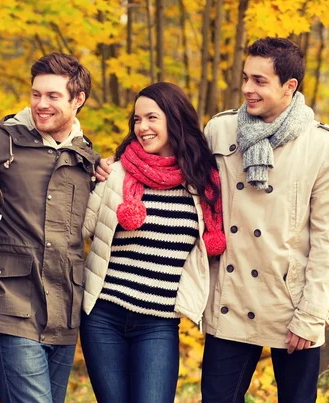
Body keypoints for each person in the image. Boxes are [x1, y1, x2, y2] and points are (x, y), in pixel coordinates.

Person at [201, 37, 329, 403]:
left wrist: (311, 315)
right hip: (230, 302)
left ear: (289, 86)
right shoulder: (219, 130)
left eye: (260, 81)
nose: (247, 89)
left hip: (291, 305)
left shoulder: (323, 146)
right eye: (246, 78)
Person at [81, 82, 226, 403]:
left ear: (174, 119)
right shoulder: (115, 174)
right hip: (104, 319)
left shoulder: (201, 183)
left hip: (158, 325)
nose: (142, 127)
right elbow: (75, 230)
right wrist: (85, 176)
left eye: (151, 118)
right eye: (136, 119)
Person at [0, 52, 101, 403]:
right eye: (36, 94)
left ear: (78, 100)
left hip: (64, 309)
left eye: (52, 96)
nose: (41, 104)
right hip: (13, 303)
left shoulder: (86, 157)